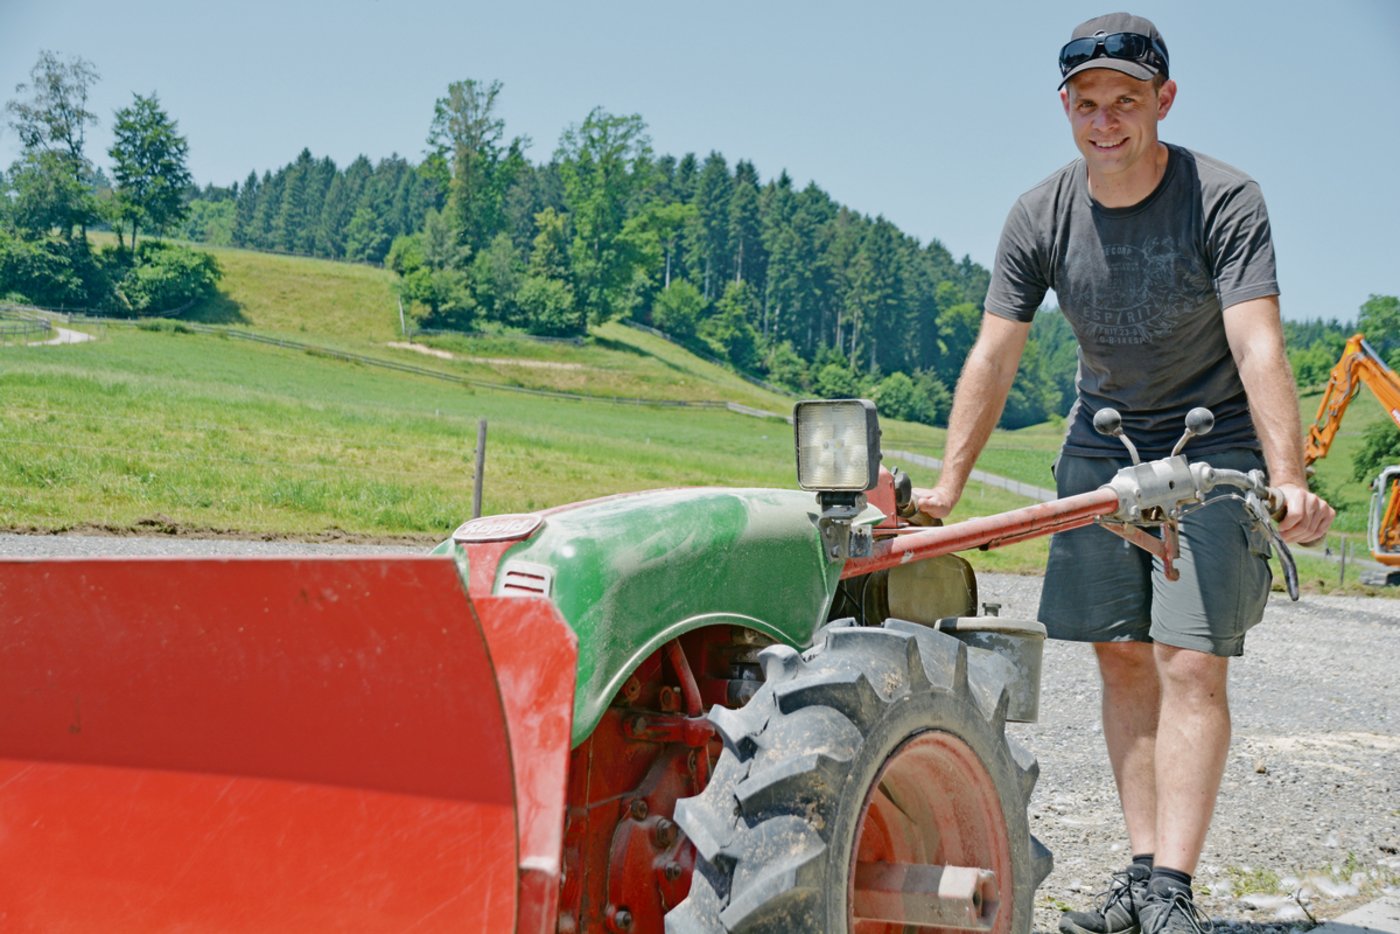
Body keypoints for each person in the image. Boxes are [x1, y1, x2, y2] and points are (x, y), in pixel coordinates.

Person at [913, 12, 1335, 934]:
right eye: (1087, 104)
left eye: (1126, 102)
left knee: (1190, 661)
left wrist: (1286, 474)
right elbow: (995, 354)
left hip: (1211, 436)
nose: (1105, 121)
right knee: (1120, 655)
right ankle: (1142, 873)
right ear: (1066, 107)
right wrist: (945, 488)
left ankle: (1172, 892)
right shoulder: (1041, 211)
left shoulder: (1224, 199)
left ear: (1163, 101)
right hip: (1105, 440)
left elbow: (1257, 340)